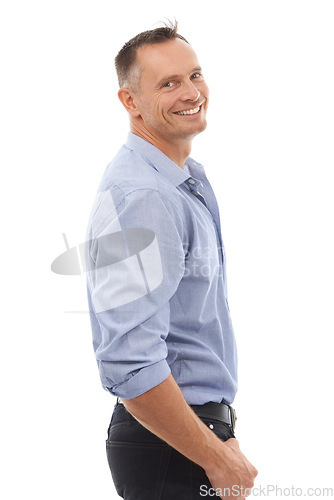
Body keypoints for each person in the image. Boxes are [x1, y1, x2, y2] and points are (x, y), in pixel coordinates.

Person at [85, 20, 258, 500]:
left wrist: (218, 431)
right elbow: (129, 362)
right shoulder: (143, 195)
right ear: (130, 102)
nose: (191, 92)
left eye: (195, 75)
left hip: (186, 433)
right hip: (168, 447)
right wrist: (212, 453)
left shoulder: (184, 180)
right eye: (168, 83)